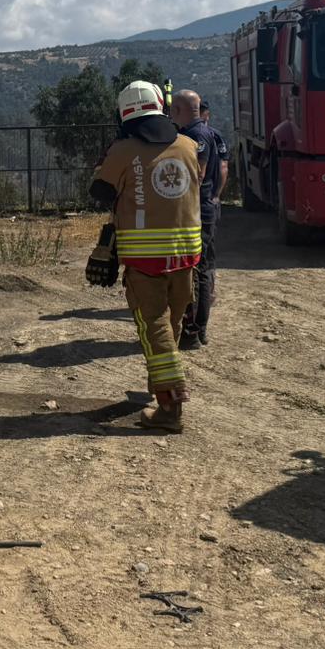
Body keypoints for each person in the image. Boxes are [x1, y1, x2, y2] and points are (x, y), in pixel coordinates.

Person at [89, 81, 203, 432]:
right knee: (171, 324)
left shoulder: (123, 150)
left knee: (153, 327)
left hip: (144, 259)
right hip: (185, 256)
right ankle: (160, 390)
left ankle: (170, 408)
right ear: (160, 106)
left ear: (124, 114)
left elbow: (100, 192)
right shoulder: (189, 145)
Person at [169, 91, 227, 349]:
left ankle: (195, 329)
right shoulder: (203, 132)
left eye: (172, 109)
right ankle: (197, 328)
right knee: (201, 267)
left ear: (180, 109)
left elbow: (197, 174)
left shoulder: (195, 136)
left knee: (200, 269)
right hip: (204, 206)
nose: (170, 114)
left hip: (197, 210)